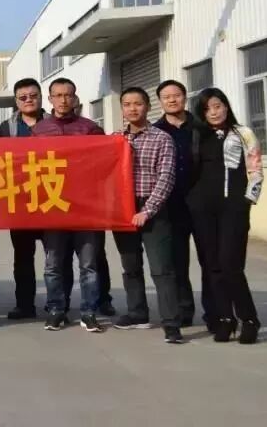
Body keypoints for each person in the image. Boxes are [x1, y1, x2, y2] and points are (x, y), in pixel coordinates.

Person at [32, 77, 109, 332]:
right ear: (50, 99)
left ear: (75, 98)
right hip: (53, 207)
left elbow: (103, 164)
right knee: (53, 265)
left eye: (68, 95)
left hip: (86, 208)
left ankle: (89, 312)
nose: (63, 100)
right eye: (58, 95)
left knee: (88, 265)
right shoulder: (40, 131)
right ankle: (56, 309)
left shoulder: (90, 129)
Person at [190, 87, 263, 344]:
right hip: (203, 209)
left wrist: (247, 200)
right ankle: (225, 319)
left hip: (234, 208)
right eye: (207, 108)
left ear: (226, 106)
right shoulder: (197, 135)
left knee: (231, 265)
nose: (214, 112)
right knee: (213, 266)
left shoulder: (243, 133)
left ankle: (249, 319)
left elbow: (255, 169)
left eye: (217, 106)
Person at [113, 88, 182, 344]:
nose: (132, 109)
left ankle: (171, 324)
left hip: (153, 209)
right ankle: (137, 313)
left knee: (162, 268)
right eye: (127, 104)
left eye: (138, 104)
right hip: (123, 209)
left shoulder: (162, 138)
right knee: (130, 266)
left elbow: (167, 176)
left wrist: (148, 210)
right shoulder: (115, 139)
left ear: (148, 106)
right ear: (122, 108)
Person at [0, 77, 67, 320]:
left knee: (55, 258)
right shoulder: (7, 127)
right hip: (21, 201)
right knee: (23, 257)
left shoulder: (55, 124)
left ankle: (58, 305)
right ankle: (24, 304)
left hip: (51, 198)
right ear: (16, 101)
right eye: (23, 97)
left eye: (33, 96)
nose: (28, 100)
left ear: (41, 97)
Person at [154, 79, 210, 328]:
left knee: (209, 260)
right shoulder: (156, 131)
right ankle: (184, 310)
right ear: (160, 102)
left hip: (202, 203)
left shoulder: (202, 128)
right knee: (177, 262)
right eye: (166, 97)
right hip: (171, 205)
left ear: (185, 97)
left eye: (176, 95)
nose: (172, 100)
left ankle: (214, 310)